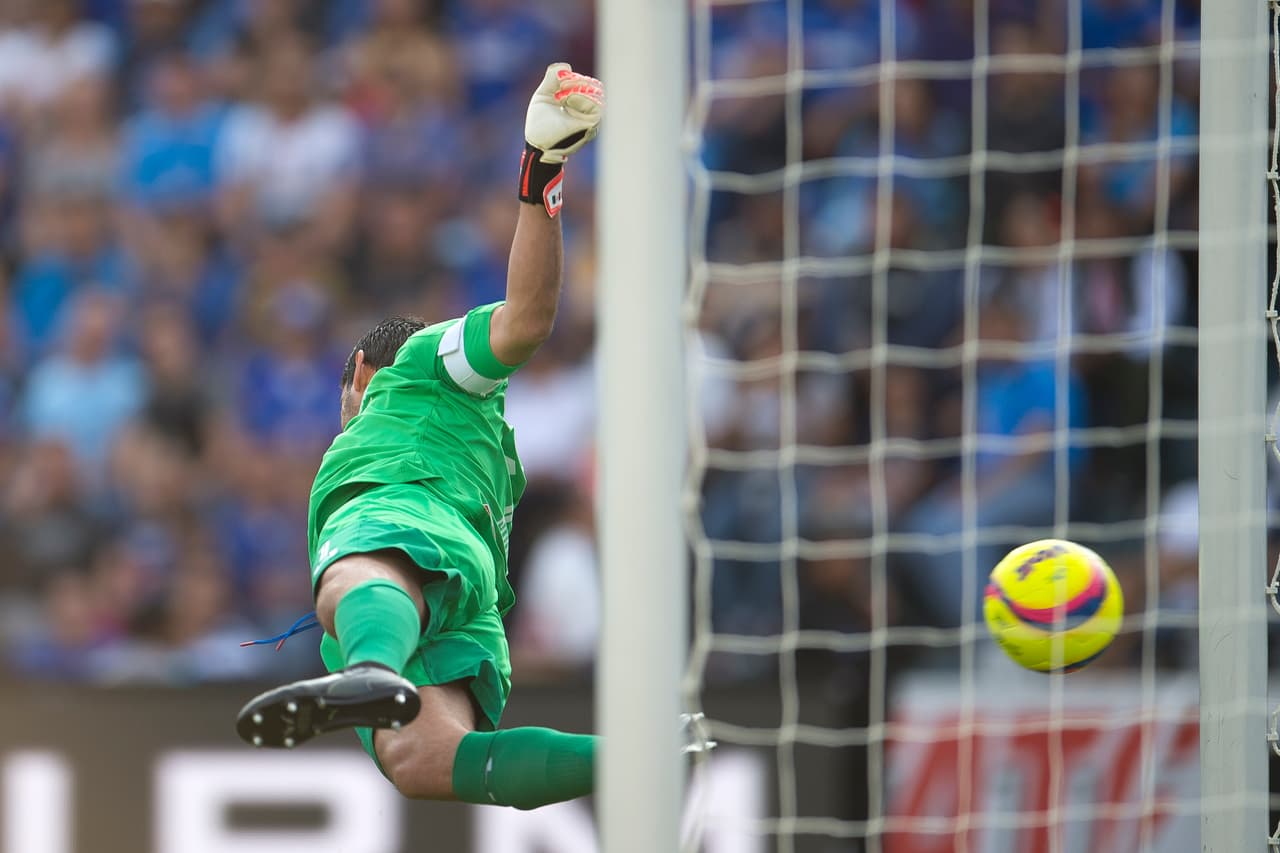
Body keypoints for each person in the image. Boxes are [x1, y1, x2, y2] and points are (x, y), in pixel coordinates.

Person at [235, 64, 604, 810]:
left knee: (352, 572)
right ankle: (639, 760)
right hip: (467, 593)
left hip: (411, 518)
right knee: (423, 758)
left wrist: (541, 171)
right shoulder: (486, 447)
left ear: (360, 372)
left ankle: (371, 665)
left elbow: (525, 319)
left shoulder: (419, 362)